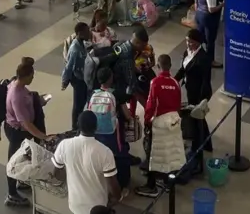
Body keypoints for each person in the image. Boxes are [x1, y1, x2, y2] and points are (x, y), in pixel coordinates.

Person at [51, 111, 121, 214]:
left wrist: (73, 177)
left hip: (76, 205)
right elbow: (113, 187)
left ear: (78, 125)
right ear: (96, 127)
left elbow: (56, 173)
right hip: (98, 210)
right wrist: (114, 200)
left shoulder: (64, 145)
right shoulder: (104, 152)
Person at [135, 53, 184, 197]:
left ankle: (151, 187)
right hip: (173, 121)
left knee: (153, 154)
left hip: (159, 122)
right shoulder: (175, 83)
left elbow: (151, 105)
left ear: (157, 66)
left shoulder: (155, 82)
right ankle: (167, 182)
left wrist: (147, 121)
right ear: (170, 66)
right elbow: (178, 104)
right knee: (169, 153)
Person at [5, 61, 52, 206]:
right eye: (32, 75)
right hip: (17, 132)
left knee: (23, 158)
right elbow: (25, 123)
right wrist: (42, 136)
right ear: (25, 76)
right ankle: (12, 194)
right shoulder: (16, 95)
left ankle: (21, 180)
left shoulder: (18, 84)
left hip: (22, 131)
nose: (33, 78)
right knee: (13, 161)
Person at [87, 68, 132, 190]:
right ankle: (123, 183)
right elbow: (127, 115)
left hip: (96, 134)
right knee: (119, 155)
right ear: (110, 79)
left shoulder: (92, 93)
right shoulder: (117, 94)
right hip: (113, 133)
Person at [176, 29, 213, 172]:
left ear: (198, 42)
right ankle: (207, 143)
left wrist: (201, 100)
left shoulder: (203, 58)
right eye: (187, 41)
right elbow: (183, 69)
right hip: (190, 89)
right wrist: (173, 80)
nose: (188, 44)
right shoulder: (187, 53)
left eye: (191, 42)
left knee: (196, 118)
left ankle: (198, 148)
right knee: (200, 119)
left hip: (198, 93)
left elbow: (205, 80)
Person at [62, 22, 94, 130]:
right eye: (86, 31)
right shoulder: (75, 49)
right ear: (80, 34)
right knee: (78, 105)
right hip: (78, 79)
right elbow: (69, 67)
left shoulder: (83, 43)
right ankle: (74, 127)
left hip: (84, 77)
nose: (89, 32)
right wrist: (64, 81)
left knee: (84, 101)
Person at [194, 0, 224, 67]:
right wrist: (223, 4)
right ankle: (211, 61)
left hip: (199, 15)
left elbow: (196, 3)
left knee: (199, 37)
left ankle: (196, 55)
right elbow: (212, 10)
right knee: (210, 41)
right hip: (208, 19)